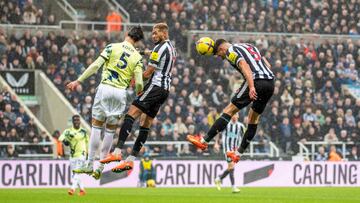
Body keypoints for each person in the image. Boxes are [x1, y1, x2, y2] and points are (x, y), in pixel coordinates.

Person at [66, 26, 145, 179]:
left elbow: (95, 66)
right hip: (120, 93)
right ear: (138, 41)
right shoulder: (137, 57)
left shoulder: (112, 47)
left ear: (126, 34)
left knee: (96, 127)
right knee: (110, 131)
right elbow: (140, 82)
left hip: (105, 88)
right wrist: (138, 92)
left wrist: (78, 80)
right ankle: (100, 167)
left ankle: (89, 164)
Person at [100, 23, 177, 173]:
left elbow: (148, 73)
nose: (153, 36)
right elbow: (154, 54)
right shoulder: (171, 48)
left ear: (164, 33)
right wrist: (142, 52)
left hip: (155, 86)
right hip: (164, 90)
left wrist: (132, 78)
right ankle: (131, 160)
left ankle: (117, 152)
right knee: (145, 123)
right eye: (152, 34)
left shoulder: (159, 48)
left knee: (131, 114)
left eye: (156, 33)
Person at [187, 39, 275, 163]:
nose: (220, 57)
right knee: (253, 118)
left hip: (256, 80)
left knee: (229, 110)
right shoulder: (249, 46)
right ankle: (238, 154)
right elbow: (267, 65)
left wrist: (251, 86)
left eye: (218, 54)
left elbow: (245, 66)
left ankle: (204, 141)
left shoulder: (230, 51)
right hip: (270, 82)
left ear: (222, 49)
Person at [59, 115, 89, 196]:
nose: (76, 122)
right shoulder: (68, 131)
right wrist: (65, 141)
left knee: (76, 172)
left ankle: (72, 188)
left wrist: (88, 153)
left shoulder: (84, 131)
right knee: (75, 174)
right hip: (72, 156)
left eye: (78, 120)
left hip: (81, 155)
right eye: (75, 120)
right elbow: (60, 138)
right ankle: (82, 190)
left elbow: (87, 143)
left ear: (80, 121)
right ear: (72, 122)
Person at [214, 114, 244, 193]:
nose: (234, 116)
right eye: (233, 115)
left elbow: (244, 136)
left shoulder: (240, 126)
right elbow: (217, 131)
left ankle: (219, 179)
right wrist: (216, 143)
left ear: (238, 116)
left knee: (231, 167)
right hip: (227, 149)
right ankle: (233, 187)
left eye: (236, 115)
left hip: (235, 150)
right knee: (231, 167)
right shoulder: (226, 124)